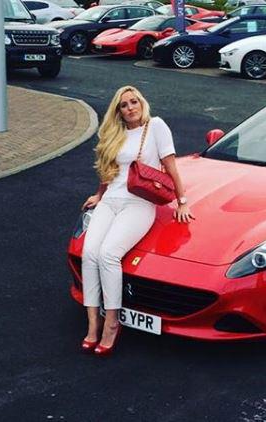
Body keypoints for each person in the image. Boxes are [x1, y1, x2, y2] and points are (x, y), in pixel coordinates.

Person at [80, 85, 194, 355]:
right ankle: (92, 323)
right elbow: (108, 171)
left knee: (108, 254)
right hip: (110, 202)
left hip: (139, 203)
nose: (130, 107)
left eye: (134, 102)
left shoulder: (155, 126)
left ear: (141, 103)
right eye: (124, 105)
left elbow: (171, 167)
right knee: (89, 253)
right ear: (118, 111)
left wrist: (182, 201)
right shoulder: (114, 133)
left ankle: (111, 323)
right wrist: (99, 195)